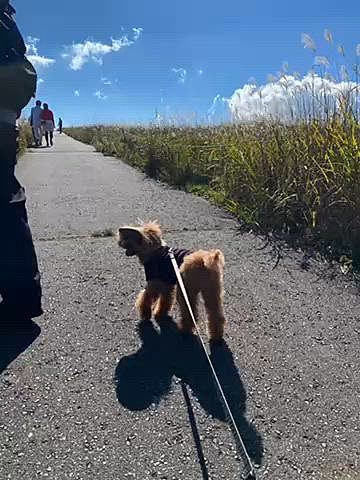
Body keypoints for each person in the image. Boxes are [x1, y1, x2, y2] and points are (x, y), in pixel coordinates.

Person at [0, 0, 43, 324]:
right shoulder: (8, 23)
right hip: (5, 125)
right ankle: (22, 297)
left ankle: (20, 300)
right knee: (7, 204)